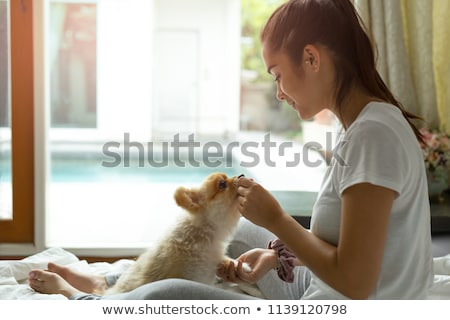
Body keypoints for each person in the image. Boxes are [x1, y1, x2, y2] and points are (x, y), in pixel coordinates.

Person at [29, 0, 433, 299]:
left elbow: (358, 284)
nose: (278, 93)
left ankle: (89, 299)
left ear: (311, 58)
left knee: (165, 296)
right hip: (320, 285)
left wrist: (277, 220)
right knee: (227, 226)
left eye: (277, 75)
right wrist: (277, 257)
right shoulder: (362, 125)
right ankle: (110, 281)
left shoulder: (372, 135)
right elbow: (349, 244)